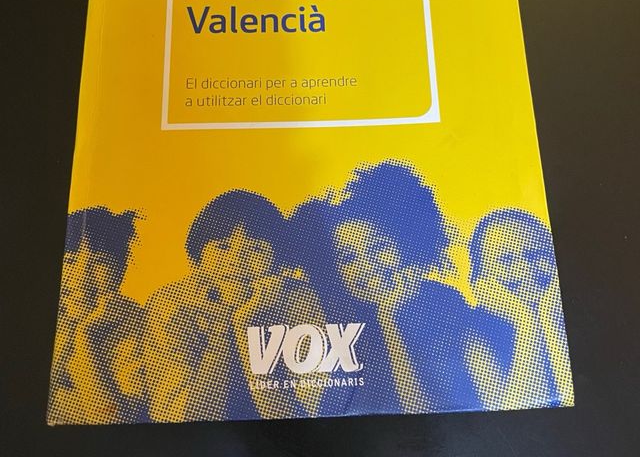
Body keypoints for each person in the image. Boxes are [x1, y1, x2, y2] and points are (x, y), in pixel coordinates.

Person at [290, 161, 483, 417]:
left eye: (379, 247)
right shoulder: (341, 327)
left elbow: (440, 409)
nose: (366, 265)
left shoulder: (444, 302)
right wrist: (385, 316)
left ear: (405, 244)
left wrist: (389, 318)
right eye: (348, 258)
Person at [144, 190, 325, 423]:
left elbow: (303, 417)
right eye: (222, 247)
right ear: (197, 260)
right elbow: (182, 417)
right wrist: (225, 329)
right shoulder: (173, 303)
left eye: (256, 249)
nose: (237, 260)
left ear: (278, 261)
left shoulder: (297, 298)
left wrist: (245, 324)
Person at [466, 208, 573, 410]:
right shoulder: (471, 336)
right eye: (506, 260)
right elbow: (515, 411)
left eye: (536, 255)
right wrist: (526, 323)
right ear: (479, 279)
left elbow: (576, 396)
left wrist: (548, 319)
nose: (524, 269)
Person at [48, 207, 147, 424]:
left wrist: (86, 341)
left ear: (121, 269)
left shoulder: (144, 329)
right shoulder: (57, 317)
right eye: (70, 261)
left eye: (100, 262)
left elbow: (110, 419)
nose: (81, 278)